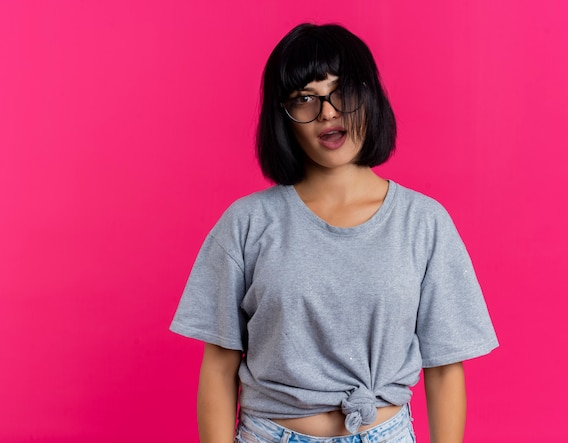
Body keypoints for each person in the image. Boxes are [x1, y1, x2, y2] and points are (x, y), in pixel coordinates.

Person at [170, 23, 498, 443]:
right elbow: (218, 365)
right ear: (283, 118)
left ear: (370, 96)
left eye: (341, 90)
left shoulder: (424, 222)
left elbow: (445, 366)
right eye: (304, 98)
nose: (327, 112)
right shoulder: (247, 222)